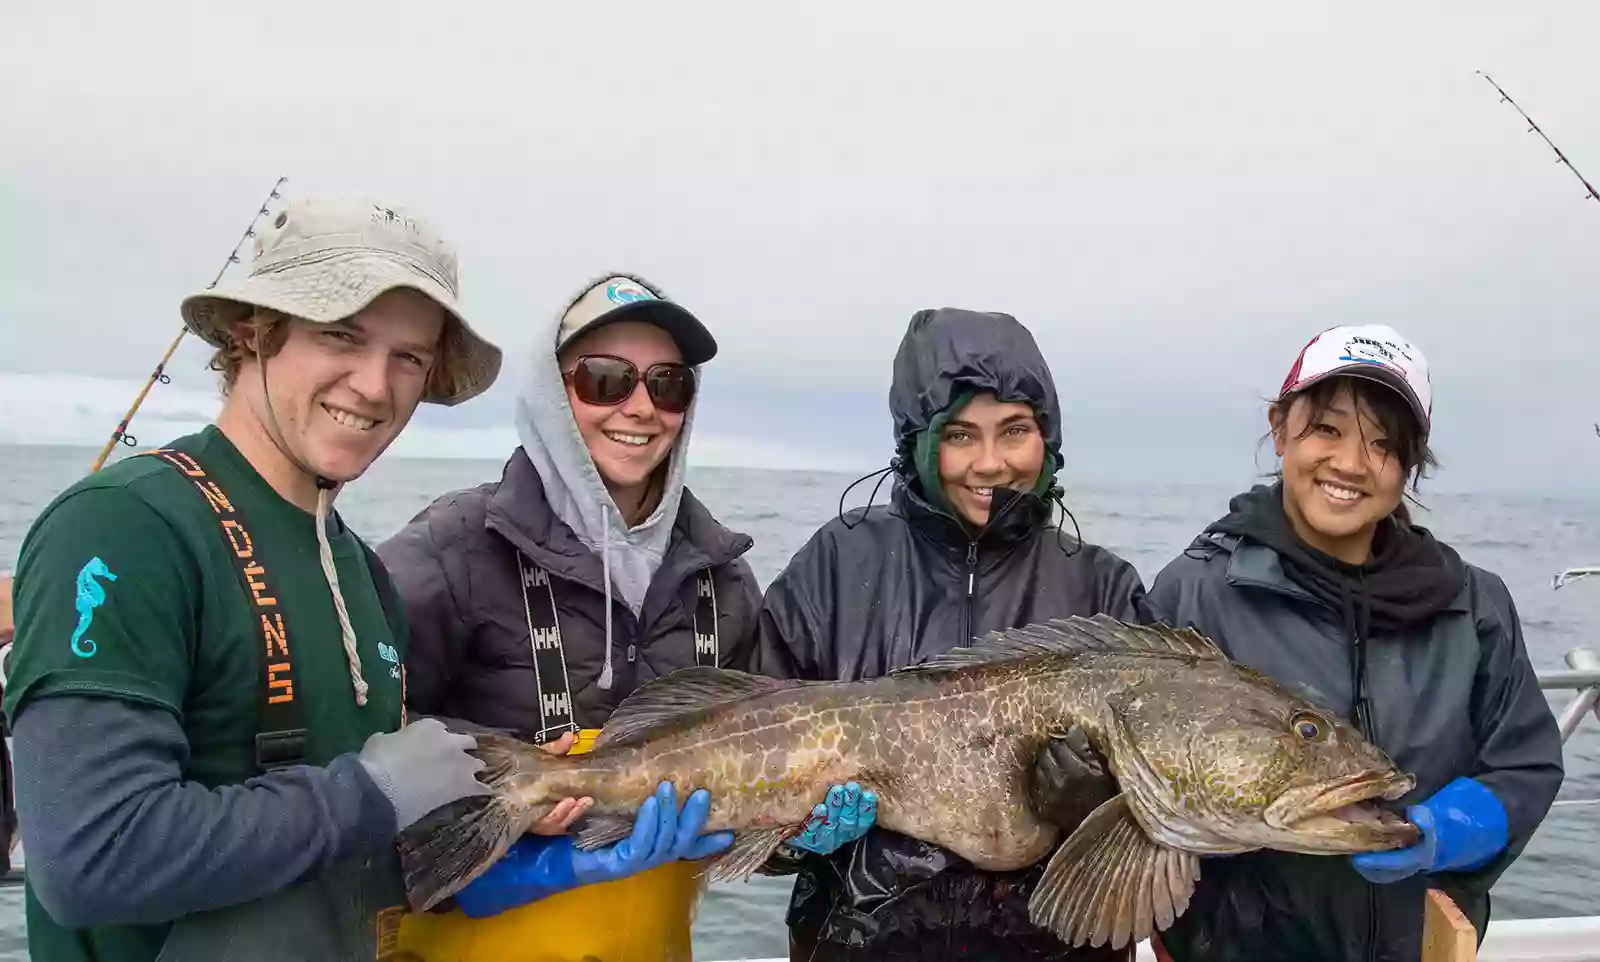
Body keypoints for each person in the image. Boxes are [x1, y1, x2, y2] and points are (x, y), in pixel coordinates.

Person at [2, 195, 507, 962]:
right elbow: (90, 855)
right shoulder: (123, 526)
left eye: (409, 356)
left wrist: (514, 807)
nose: (375, 385)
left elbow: (368, 837)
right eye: (342, 334)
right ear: (252, 333)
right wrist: (368, 795)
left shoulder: (363, 573)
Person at [378, 273, 868, 962]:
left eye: (669, 383)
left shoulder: (722, 580)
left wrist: (799, 831)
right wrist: (517, 832)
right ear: (552, 392)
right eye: (605, 380)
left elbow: (751, 807)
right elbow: (363, 734)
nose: (640, 407)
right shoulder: (452, 546)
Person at [739, 307, 1155, 962]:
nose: (990, 463)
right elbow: (744, 755)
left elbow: (1158, 828)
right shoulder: (835, 566)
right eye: (960, 435)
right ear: (918, 443)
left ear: (1047, 436)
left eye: (1014, 430)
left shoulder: (1104, 590)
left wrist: (1100, 807)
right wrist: (791, 836)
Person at [1147, 324, 1565, 962]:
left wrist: (1450, 830)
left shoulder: (1474, 606)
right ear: (1281, 428)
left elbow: (1526, 764)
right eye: (1326, 429)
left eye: (1383, 444)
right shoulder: (1194, 594)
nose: (1350, 462)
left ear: (1410, 464)